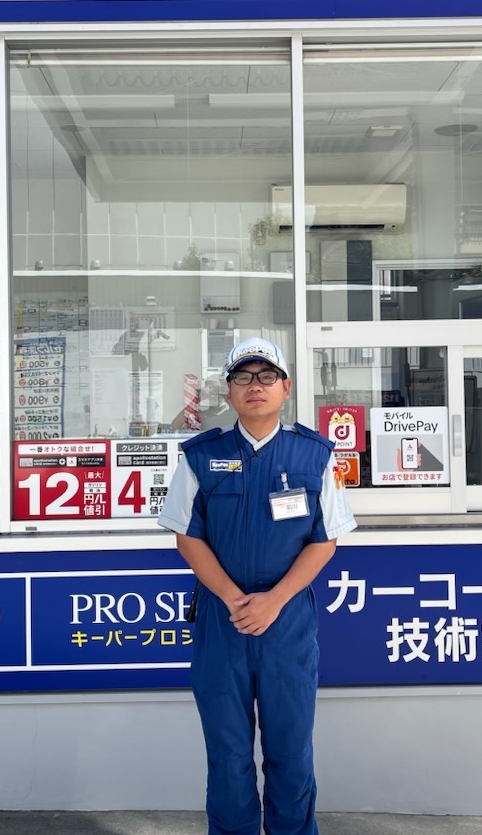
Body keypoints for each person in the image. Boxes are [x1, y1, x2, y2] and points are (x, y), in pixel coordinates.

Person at [158, 337, 356, 835]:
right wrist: (234, 599)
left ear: (285, 388)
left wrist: (274, 601)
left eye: (267, 376)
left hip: (287, 625)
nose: (255, 386)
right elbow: (187, 537)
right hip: (221, 624)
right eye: (243, 377)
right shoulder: (202, 456)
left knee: (291, 753)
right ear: (228, 391)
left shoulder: (314, 455)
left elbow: (325, 541)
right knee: (228, 756)